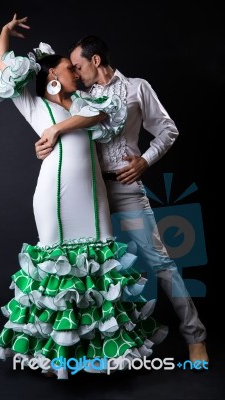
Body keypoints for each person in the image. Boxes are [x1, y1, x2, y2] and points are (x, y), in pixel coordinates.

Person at [0, 15, 168, 380]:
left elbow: (103, 113)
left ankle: (95, 354)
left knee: (98, 270)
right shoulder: (33, 103)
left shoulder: (85, 103)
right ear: (53, 78)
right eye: (69, 68)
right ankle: (55, 355)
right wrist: (4, 33)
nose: (76, 73)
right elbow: (4, 65)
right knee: (59, 273)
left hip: (94, 196)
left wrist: (57, 128)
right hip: (54, 196)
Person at [35, 35, 209, 365]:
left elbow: (168, 129)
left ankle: (195, 336)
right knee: (85, 271)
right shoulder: (77, 95)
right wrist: (43, 144)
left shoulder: (137, 88)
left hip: (127, 189)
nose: (74, 71)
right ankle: (79, 349)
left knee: (160, 262)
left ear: (96, 61)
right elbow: (49, 117)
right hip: (87, 192)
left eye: (78, 65)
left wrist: (144, 160)